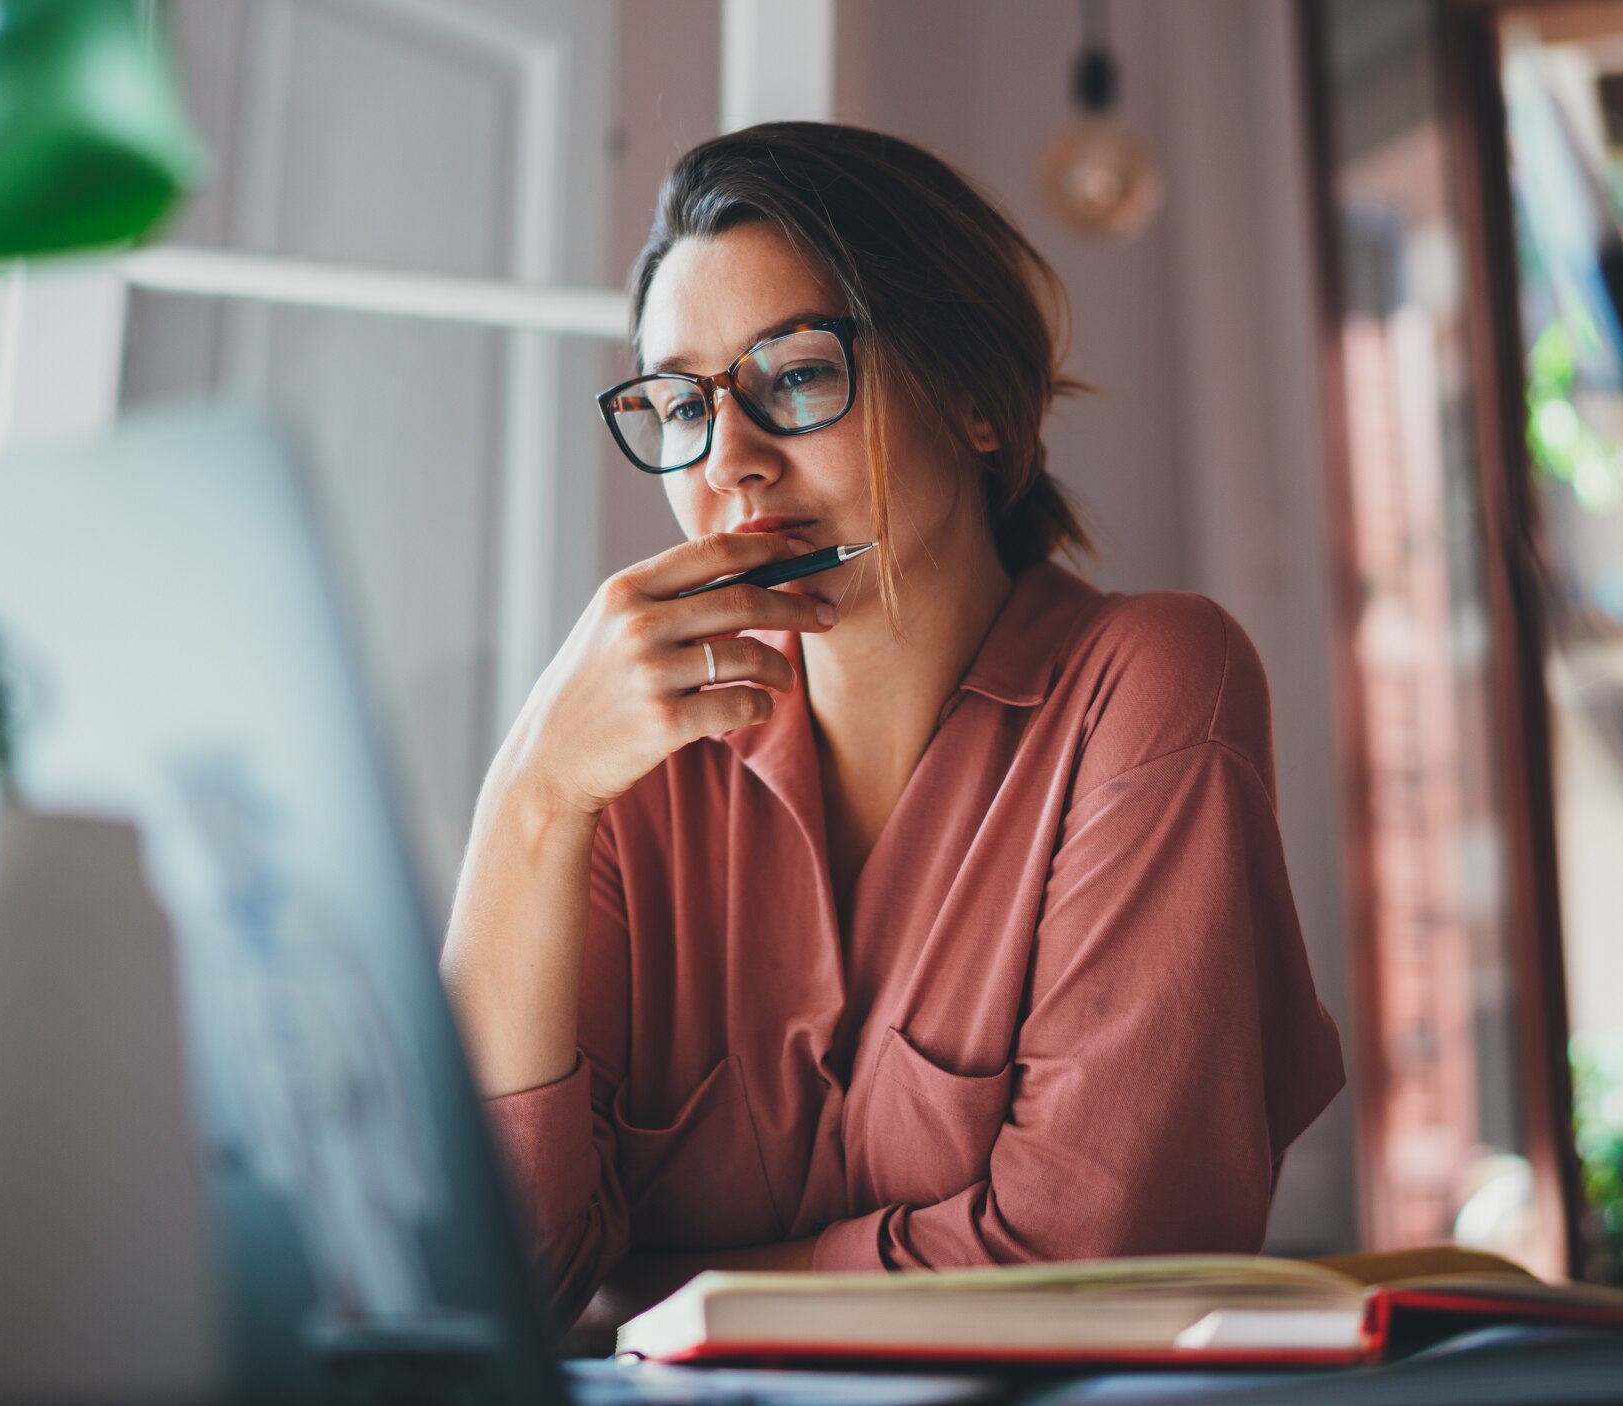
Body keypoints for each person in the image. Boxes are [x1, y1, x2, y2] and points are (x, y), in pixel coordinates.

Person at [441, 122, 1344, 1329]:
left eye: (798, 373)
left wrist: (657, 1294)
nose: (732, 467)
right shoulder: (627, 770)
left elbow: (1094, 1258)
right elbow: (482, 1286)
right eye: (680, 405)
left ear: (974, 396)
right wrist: (531, 797)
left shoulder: (1149, 683)